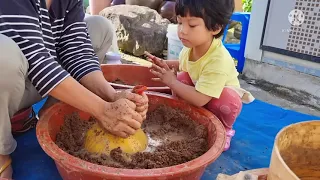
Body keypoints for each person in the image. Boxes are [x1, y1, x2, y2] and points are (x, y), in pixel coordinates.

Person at [0, 0, 148, 179]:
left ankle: (51, 113)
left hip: (35, 77)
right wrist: (101, 110)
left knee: (99, 27)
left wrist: (111, 96)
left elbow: (77, 51)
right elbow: (34, 59)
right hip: (10, 76)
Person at [145, 0, 254, 152]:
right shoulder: (191, 48)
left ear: (215, 27)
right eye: (179, 22)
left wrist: (171, 82)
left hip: (217, 100)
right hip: (200, 90)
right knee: (183, 77)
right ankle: (184, 115)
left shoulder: (218, 60)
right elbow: (185, 64)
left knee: (226, 98)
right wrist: (164, 63)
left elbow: (201, 98)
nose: (182, 30)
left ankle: (224, 130)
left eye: (192, 25)